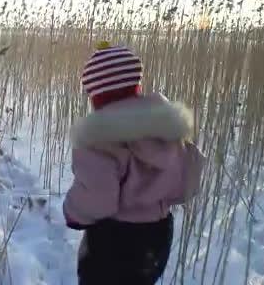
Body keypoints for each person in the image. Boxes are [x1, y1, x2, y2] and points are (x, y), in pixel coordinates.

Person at [63, 43, 205, 284]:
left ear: (96, 96)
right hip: (158, 236)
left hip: (116, 239)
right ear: (136, 86)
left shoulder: (99, 140)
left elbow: (97, 197)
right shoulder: (166, 130)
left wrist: (73, 213)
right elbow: (188, 178)